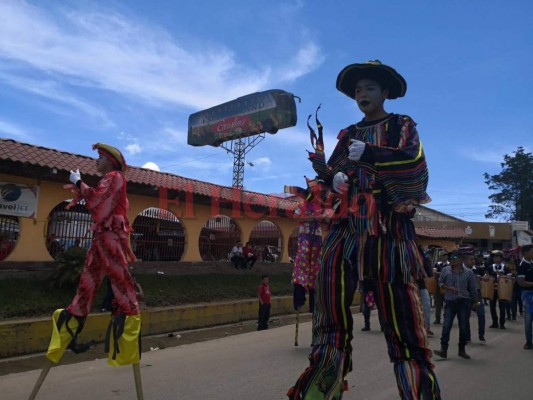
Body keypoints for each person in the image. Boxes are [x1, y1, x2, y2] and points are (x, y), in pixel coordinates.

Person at [287, 60, 440, 399]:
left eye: (369, 88)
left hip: (389, 232)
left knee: (402, 320)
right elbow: (328, 178)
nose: (362, 94)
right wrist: (334, 178)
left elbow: (416, 170)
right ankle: (324, 380)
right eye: (358, 90)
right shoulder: (348, 134)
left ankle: (417, 389)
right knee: (328, 307)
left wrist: (372, 154)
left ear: (385, 93)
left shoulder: (402, 125)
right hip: (346, 229)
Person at [45, 143, 141, 368]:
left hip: (110, 236)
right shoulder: (110, 179)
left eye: (100, 157)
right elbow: (97, 201)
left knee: (120, 278)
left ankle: (127, 324)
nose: (96, 161)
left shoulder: (116, 176)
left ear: (112, 161)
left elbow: (98, 202)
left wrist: (79, 183)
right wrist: (81, 188)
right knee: (88, 282)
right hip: (101, 236)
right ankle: (73, 322)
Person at [433, 252, 479, 360]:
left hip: (464, 302)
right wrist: (448, 288)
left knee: (463, 326)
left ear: (461, 260)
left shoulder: (469, 273)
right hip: (450, 302)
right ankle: (443, 349)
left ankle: (461, 349)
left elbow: (473, 289)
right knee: (446, 325)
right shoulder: (445, 270)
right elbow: (440, 283)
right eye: (451, 258)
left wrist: (475, 302)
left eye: (455, 258)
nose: (452, 260)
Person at [463, 252, 486, 342]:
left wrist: (483, 277)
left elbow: (486, 277)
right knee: (466, 316)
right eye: (471, 259)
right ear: (464, 261)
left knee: (481, 314)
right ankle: (467, 336)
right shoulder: (460, 270)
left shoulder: (477, 269)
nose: (473, 261)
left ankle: (481, 334)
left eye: (474, 259)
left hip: (477, 294)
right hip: (466, 296)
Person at [487, 250, 512, 329]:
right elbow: (487, 276)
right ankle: (495, 322)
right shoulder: (491, 267)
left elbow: (510, 277)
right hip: (492, 289)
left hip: (502, 289)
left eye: (497, 257)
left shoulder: (506, 267)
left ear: (501, 259)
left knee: (502, 307)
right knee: (492, 306)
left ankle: (502, 323)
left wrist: (501, 275)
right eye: (495, 257)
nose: (495, 258)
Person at [516, 244, 533, 349]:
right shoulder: (522, 265)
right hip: (528, 296)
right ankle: (529, 341)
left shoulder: (531, 263)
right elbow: (521, 282)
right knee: (528, 318)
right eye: (532, 252)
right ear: (525, 253)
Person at [432, 249, 449, 325]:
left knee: (447, 303)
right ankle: (437, 319)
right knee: (438, 303)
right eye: (442, 255)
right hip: (438, 285)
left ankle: (447, 318)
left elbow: (446, 274)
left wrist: (438, 273)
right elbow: (434, 273)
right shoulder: (437, 264)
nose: (444, 257)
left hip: (447, 286)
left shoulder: (449, 264)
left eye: (445, 255)